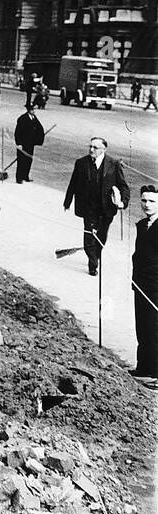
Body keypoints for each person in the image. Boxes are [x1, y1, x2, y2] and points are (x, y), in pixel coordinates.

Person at [63, 137, 130, 278]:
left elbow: (123, 186)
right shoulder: (81, 163)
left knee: (101, 236)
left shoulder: (114, 164)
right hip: (88, 207)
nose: (91, 150)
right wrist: (67, 201)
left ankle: (95, 255)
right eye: (90, 146)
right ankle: (92, 264)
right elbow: (73, 183)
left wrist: (123, 202)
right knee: (89, 235)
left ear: (104, 149)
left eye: (95, 148)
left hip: (106, 208)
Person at [131, 185, 158, 383]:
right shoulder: (142, 225)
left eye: (152, 201)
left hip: (156, 286)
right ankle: (144, 367)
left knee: (155, 328)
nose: (147, 205)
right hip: (140, 285)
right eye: (144, 200)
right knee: (142, 326)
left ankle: (156, 373)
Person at [13, 105, 44, 183]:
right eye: (32, 110)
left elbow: (40, 128)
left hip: (30, 144)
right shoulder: (22, 119)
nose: (34, 111)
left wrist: (39, 138)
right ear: (28, 110)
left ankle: (25, 176)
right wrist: (18, 143)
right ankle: (19, 178)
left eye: (34, 110)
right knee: (21, 161)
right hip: (23, 144)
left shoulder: (34, 118)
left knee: (28, 160)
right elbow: (18, 132)